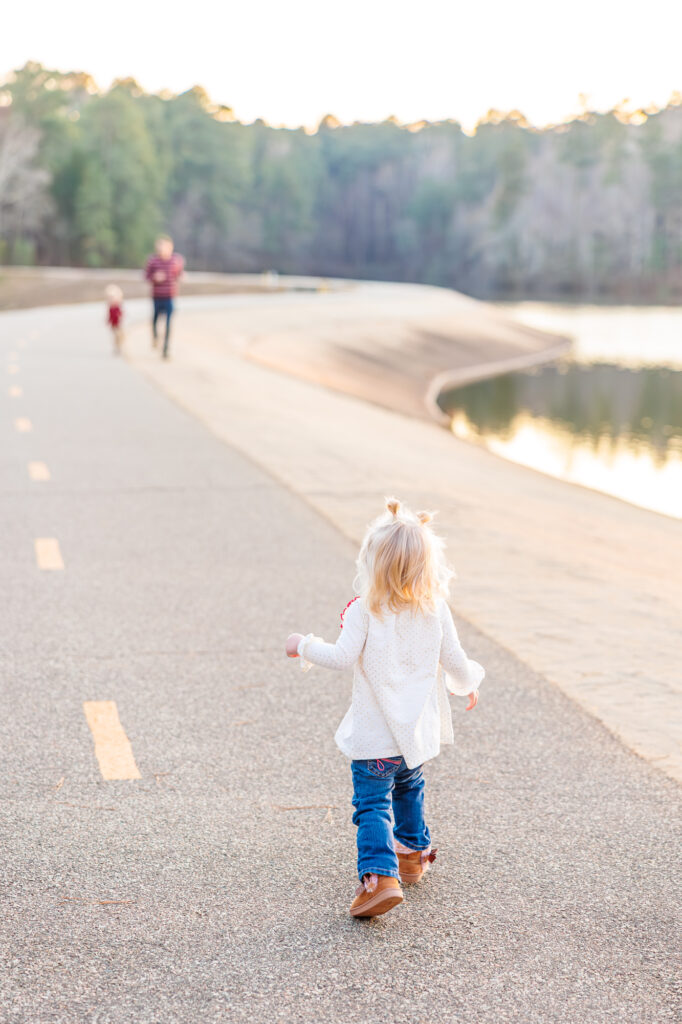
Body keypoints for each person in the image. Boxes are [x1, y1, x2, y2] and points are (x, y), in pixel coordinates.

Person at [285, 497, 484, 919]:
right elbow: (457, 661)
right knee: (410, 787)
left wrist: (302, 644)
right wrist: (469, 683)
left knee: (373, 805)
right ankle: (412, 853)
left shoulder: (365, 609)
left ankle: (379, 876)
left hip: (376, 738)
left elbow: (340, 657)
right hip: (414, 737)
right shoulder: (435, 610)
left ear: (372, 563)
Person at [144, 235, 184, 359]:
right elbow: (146, 276)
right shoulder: (152, 261)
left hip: (170, 296)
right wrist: (155, 278)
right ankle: (155, 336)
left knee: (168, 323)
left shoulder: (175, 261)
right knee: (155, 320)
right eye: (161, 247)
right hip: (157, 296)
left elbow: (179, 275)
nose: (163, 249)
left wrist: (181, 276)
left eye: (166, 247)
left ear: (170, 247)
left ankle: (166, 348)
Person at [105, 284, 124, 355]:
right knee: (115, 336)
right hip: (113, 325)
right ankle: (116, 347)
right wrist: (108, 321)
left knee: (119, 336)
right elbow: (109, 316)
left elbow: (120, 315)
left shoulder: (117, 308)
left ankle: (119, 347)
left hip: (118, 324)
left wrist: (120, 317)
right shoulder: (110, 308)